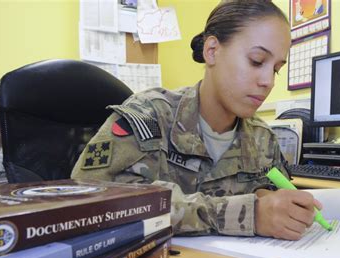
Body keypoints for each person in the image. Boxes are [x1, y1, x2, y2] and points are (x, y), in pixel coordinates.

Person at [71, 0, 321, 241]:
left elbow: (274, 195)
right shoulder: (149, 117)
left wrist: (274, 202)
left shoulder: (263, 139)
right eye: (256, 61)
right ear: (212, 51)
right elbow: (88, 199)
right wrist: (247, 214)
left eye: (276, 68)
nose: (268, 81)